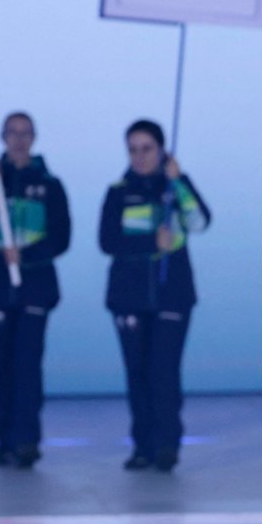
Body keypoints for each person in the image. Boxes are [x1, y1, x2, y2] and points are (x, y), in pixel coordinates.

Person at [99, 119, 211, 472]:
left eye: (147, 148)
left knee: (164, 373)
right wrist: (151, 242)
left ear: (161, 150)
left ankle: (166, 446)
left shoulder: (174, 188)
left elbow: (199, 222)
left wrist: (178, 180)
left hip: (172, 296)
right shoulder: (118, 191)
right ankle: (142, 447)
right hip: (128, 298)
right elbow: (108, 241)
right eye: (133, 149)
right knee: (137, 374)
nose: (140, 156)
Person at [0, 112, 70, 468]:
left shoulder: (50, 185)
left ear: (34, 137)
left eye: (26, 134)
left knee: (28, 368)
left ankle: (27, 440)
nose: (19, 140)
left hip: (34, 291)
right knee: (1, 368)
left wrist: (26, 255)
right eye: (13, 134)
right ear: (3, 138)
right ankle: (4, 441)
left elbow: (61, 237)